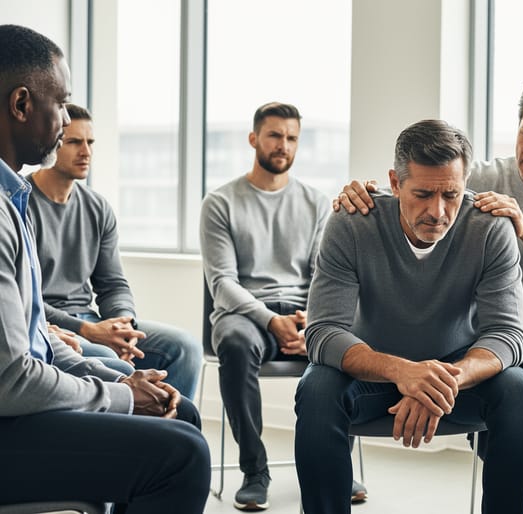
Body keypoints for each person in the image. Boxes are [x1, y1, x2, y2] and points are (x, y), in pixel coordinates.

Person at [335, 77, 523, 514]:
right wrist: (359, 195)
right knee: (501, 424)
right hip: (480, 348)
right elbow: (417, 188)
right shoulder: (483, 176)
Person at [0, 24, 209, 513]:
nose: (66, 122)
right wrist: (119, 396)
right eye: (62, 104)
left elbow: (34, 332)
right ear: (22, 105)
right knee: (183, 455)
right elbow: (11, 379)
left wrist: (118, 384)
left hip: (19, 401)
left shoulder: (15, 199)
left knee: (183, 414)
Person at [296, 119, 523, 514]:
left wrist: (441, 381)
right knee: (317, 388)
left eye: (452, 194)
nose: (438, 211)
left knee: (519, 389)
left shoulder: (490, 228)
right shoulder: (352, 221)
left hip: (455, 381)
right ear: (395, 183)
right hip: (373, 380)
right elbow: (323, 332)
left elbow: (507, 334)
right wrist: (402, 373)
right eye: (423, 194)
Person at [200, 101, 366, 511]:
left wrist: (314, 321)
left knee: (345, 345)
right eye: (275, 135)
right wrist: (272, 321)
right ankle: (255, 470)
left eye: (291, 137)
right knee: (235, 344)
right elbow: (222, 284)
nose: (283, 145)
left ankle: (333, 467)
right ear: (254, 138)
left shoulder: (314, 203)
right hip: (245, 315)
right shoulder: (220, 203)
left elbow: (324, 274)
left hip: (302, 313)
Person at [27, 103, 202, 395]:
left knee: (184, 348)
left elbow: (113, 284)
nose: (86, 152)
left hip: (91, 319)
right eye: (73, 142)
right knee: (109, 360)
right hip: (47, 326)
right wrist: (88, 332)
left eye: (90, 142)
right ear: (51, 142)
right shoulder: (19, 204)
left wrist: (125, 328)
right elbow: (25, 299)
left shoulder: (97, 208)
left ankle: (165, 434)